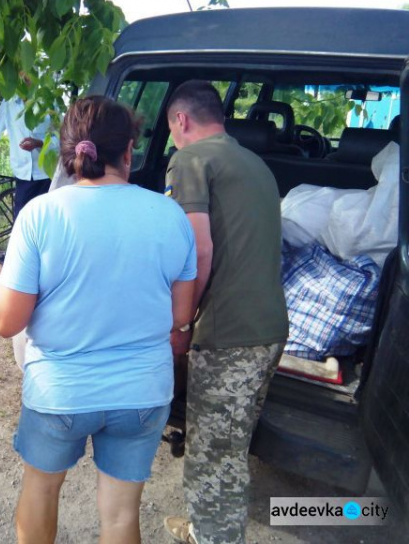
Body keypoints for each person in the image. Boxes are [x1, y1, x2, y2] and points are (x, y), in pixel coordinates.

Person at [0, 95, 197, 544]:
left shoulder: (40, 214)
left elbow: (5, 321)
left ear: (68, 152)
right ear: (129, 151)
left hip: (61, 394)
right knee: (119, 516)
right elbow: (182, 314)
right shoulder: (171, 216)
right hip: (143, 393)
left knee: (41, 490)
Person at [162, 80, 289, 544]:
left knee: (212, 454)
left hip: (228, 331)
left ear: (181, 120)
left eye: (173, 127)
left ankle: (213, 535)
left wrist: (180, 323)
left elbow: (198, 250)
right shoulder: (255, 164)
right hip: (270, 327)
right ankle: (205, 527)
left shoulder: (191, 160)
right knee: (229, 449)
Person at [0, 95, 58, 218]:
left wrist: (39, 143)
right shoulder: (9, 103)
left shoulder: (49, 98)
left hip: (46, 174)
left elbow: (60, 137)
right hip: (23, 174)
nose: (24, 77)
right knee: (21, 222)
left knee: (46, 222)